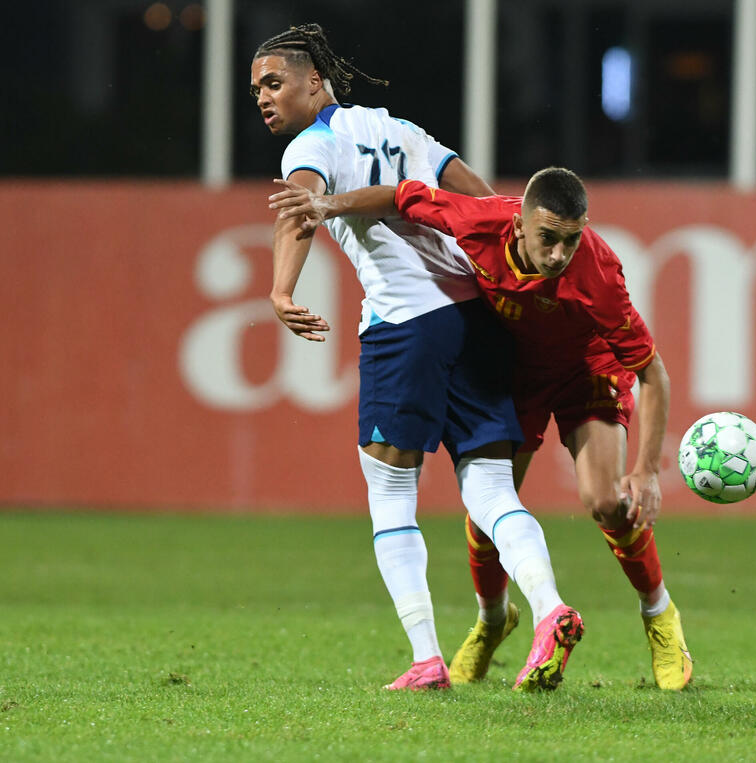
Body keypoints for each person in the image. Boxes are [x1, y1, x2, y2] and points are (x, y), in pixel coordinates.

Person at [268, 168, 694, 690]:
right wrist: (330, 205)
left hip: (587, 370)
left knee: (606, 500)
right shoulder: (479, 220)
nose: (559, 254)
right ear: (518, 226)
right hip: (518, 373)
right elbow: (404, 198)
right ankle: (493, 620)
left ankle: (659, 615)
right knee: (488, 507)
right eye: (548, 239)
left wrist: (647, 470)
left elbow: (653, 372)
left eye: (571, 239)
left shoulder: (599, 273)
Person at [251, 23, 583, 692]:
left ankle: (427, 657)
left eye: (274, 82)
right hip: (475, 317)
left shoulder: (308, 146)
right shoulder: (399, 127)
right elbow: (483, 198)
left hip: (406, 324)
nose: (263, 96)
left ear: (315, 81)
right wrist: (501, 265)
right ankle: (551, 609)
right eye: (257, 87)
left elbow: (300, 208)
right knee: (488, 485)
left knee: (390, 491)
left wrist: (281, 287)